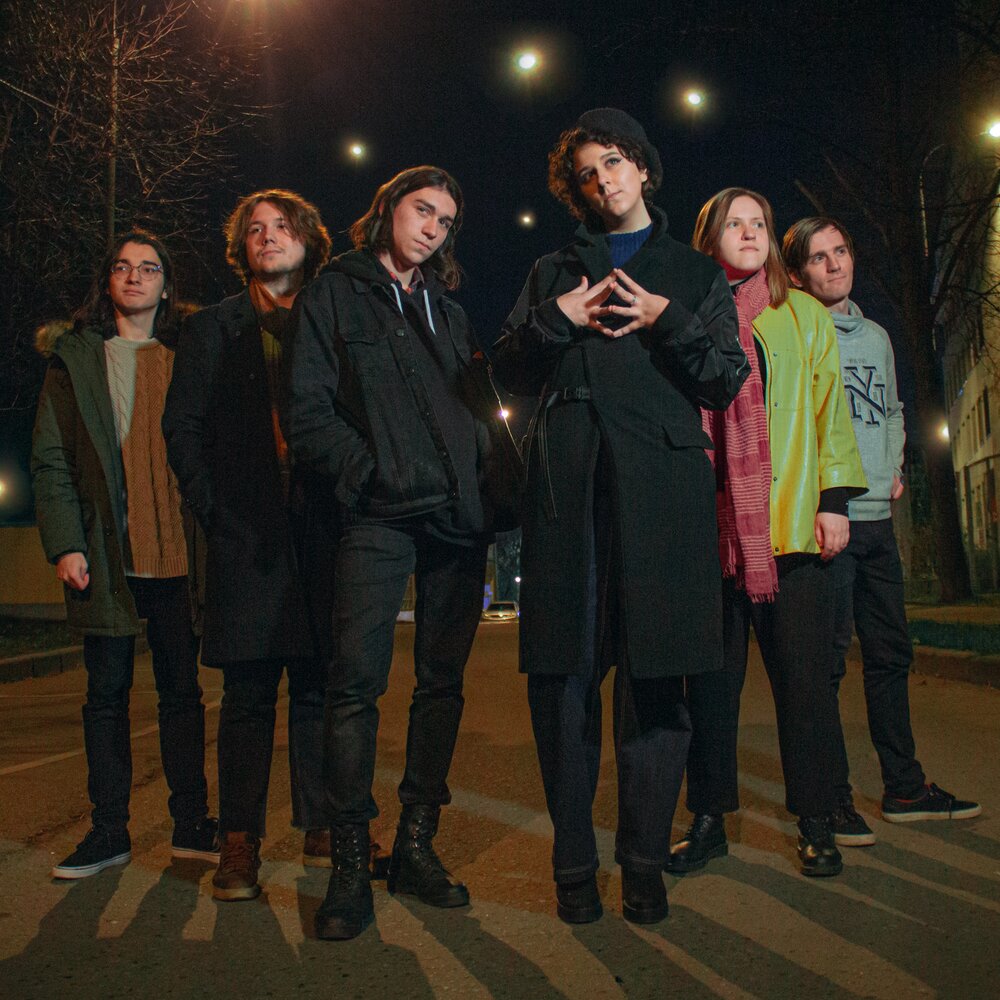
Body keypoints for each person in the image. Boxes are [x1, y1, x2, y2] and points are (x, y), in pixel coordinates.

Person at [492, 109, 749, 925]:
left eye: (612, 163)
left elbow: (726, 379)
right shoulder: (552, 271)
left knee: (658, 682)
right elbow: (505, 370)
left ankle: (643, 864)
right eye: (586, 174)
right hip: (567, 493)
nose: (602, 181)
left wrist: (667, 318)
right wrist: (556, 320)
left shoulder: (693, 273)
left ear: (641, 166)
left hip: (663, 494)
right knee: (562, 680)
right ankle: (574, 869)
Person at [282, 166, 501, 940]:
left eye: (446, 220)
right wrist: (368, 473)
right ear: (388, 210)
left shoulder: (449, 311)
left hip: (457, 521)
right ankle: (349, 863)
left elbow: (477, 410)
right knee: (354, 688)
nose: (433, 228)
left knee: (441, 687)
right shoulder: (334, 294)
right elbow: (307, 413)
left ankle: (415, 847)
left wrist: (486, 478)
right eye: (422, 210)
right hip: (378, 515)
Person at [667, 189, 867, 879]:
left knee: (804, 687)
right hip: (709, 529)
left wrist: (834, 501)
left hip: (793, 529)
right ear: (710, 237)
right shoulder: (686, 315)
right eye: (735, 223)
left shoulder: (802, 313)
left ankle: (815, 819)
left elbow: (828, 412)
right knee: (710, 690)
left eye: (760, 223)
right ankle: (708, 819)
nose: (750, 233)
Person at [783, 216, 981, 844]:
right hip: (830, 525)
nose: (835, 263)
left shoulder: (876, 336)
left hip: (877, 523)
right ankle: (833, 799)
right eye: (819, 257)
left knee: (891, 655)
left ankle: (904, 786)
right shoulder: (798, 333)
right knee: (827, 666)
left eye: (841, 251)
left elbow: (892, 407)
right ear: (797, 275)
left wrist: (893, 465)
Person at [163, 190, 334, 901]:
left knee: (321, 687)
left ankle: (324, 825)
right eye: (255, 229)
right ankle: (239, 843)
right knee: (248, 696)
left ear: (308, 240)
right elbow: (183, 428)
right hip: (246, 532)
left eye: (282, 226)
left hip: (323, 529)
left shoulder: (332, 317)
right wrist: (216, 512)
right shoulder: (212, 327)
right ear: (241, 249)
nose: (268, 237)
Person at [32, 230, 217, 879]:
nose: (135, 276)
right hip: (107, 552)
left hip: (176, 552)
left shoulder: (190, 354)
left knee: (182, 692)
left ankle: (192, 824)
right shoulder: (76, 357)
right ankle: (108, 831)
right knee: (106, 695)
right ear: (107, 280)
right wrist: (66, 543)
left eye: (149, 268)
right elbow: (51, 457)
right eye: (122, 266)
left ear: (167, 285)